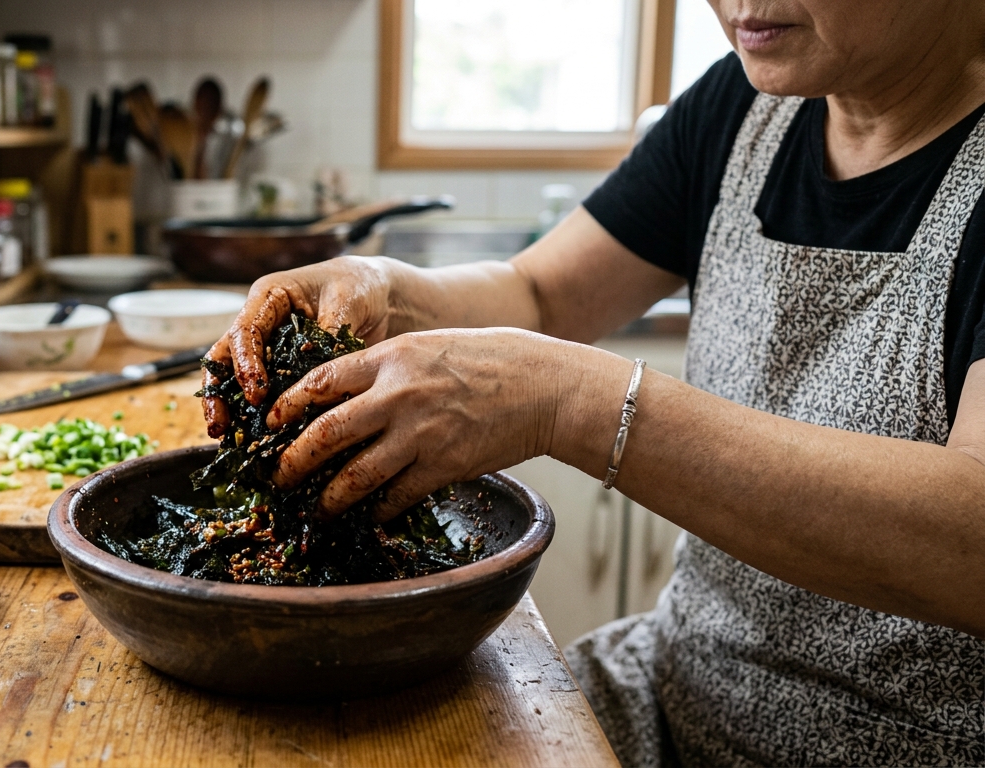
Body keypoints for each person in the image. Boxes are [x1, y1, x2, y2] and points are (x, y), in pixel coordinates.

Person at [202, 0, 985, 764]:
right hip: (679, 691)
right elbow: (543, 292)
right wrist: (383, 285)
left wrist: (570, 398)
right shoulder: (745, 104)